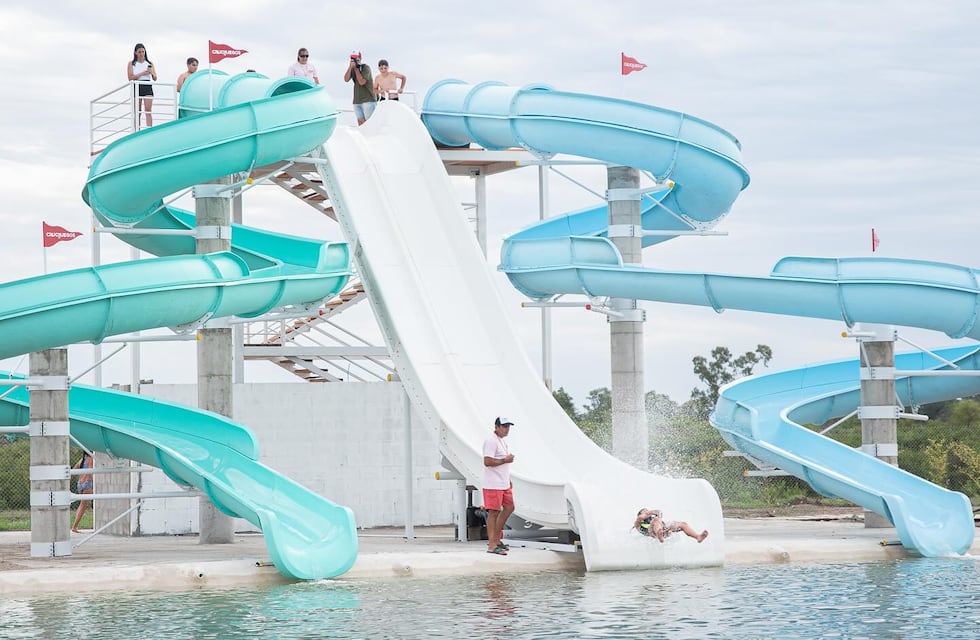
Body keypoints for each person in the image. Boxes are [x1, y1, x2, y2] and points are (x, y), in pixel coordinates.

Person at [483, 416, 516, 555]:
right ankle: (491, 544)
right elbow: (488, 461)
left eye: (508, 426)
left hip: (503, 483)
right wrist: (505, 459)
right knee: (493, 512)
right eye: (504, 426)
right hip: (493, 484)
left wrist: (507, 479)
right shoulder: (491, 440)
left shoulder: (501, 441)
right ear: (496, 427)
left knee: (509, 507)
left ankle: (496, 539)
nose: (506, 429)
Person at [633, 508, 708, 543]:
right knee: (656, 520)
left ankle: (698, 537)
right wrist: (651, 513)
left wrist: (657, 515)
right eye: (645, 512)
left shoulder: (653, 516)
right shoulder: (638, 523)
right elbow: (642, 516)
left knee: (682, 524)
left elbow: (659, 511)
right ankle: (660, 535)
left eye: (648, 511)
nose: (648, 513)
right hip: (651, 533)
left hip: (663, 529)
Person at [127, 43, 157, 127]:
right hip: (137, 85)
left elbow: (155, 78)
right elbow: (130, 77)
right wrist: (142, 73)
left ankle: (149, 128)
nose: (141, 54)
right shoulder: (131, 63)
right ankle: (137, 128)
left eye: (143, 52)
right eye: (139, 52)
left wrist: (151, 73)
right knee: (137, 110)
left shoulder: (149, 63)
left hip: (147, 85)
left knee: (148, 109)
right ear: (135, 53)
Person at [344, 51, 376, 125]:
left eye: (356, 58)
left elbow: (362, 82)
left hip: (368, 100)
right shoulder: (352, 68)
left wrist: (356, 69)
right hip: (357, 101)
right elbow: (346, 79)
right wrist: (350, 67)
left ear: (360, 58)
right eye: (352, 58)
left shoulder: (366, 68)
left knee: (369, 124)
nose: (354, 60)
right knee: (361, 124)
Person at [71, 451, 94, 533]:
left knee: (81, 505)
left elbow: (74, 469)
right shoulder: (91, 459)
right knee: (83, 506)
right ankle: (74, 526)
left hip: (80, 484)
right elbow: (91, 471)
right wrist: (92, 480)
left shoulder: (82, 460)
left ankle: (75, 525)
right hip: (88, 483)